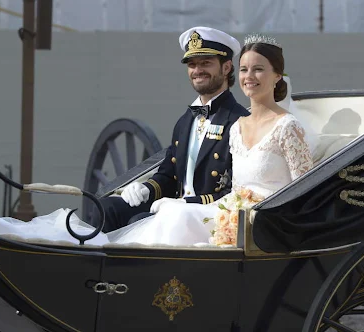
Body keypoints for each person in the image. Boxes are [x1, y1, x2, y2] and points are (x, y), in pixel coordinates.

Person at [107, 34, 314, 246]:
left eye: (258, 69)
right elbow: (234, 190)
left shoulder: (287, 126)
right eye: (244, 69)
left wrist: (189, 205)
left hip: (267, 220)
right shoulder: (237, 127)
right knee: (133, 210)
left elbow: (305, 190)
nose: (249, 76)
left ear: (278, 75)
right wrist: (148, 188)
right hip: (230, 211)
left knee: (179, 216)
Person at [99, 27, 250, 232]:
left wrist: (186, 204)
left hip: (207, 215)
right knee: (107, 208)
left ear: (226, 67)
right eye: (192, 64)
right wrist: (146, 188)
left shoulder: (240, 121)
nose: (197, 70)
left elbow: (235, 192)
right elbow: (168, 177)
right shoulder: (185, 121)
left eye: (206, 63)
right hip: (175, 209)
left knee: (138, 221)